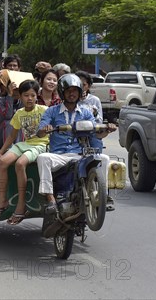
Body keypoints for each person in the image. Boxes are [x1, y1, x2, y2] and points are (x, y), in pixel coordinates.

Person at [36, 74, 116, 213]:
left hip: (81, 155)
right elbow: (40, 132)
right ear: (62, 92)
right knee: (43, 158)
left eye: (75, 90)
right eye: (68, 90)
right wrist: (45, 129)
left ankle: (102, 196)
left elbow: (96, 133)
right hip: (59, 156)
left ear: (80, 92)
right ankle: (50, 200)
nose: (72, 94)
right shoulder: (52, 111)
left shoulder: (86, 113)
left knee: (104, 158)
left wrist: (107, 130)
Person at [0, 80, 49, 225]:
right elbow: (12, 136)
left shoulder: (44, 110)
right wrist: (0, 152)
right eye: (26, 95)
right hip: (25, 144)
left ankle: (21, 204)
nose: (29, 98)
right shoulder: (19, 113)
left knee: (20, 163)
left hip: (41, 145)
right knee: (3, 162)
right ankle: (3, 200)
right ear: (20, 97)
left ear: (37, 96)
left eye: (32, 95)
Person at [75, 70, 115, 211]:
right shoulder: (70, 99)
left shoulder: (94, 101)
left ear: (89, 86)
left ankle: (105, 194)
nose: (80, 87)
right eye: (77, 84)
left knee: (100, 158)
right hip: (72, 135)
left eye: (83, 85)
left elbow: (98, 121)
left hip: (92, 134)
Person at [0, 69, 23, 152]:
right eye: (14, 89)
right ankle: (10, 149)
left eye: (18, 89)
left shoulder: (22, 102)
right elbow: (8, 116)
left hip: (17, 138)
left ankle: (19, 147)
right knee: (10, 122)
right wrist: (10, 96)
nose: (16, 92)